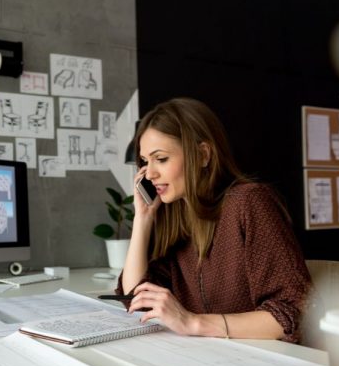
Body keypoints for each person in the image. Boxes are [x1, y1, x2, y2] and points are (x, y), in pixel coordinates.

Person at [118, 97, 311, 343]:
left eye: (162, 159)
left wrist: (193, 322)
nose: (150, 173)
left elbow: (295, 312)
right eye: (145, 162)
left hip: (266, 363)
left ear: (202, 155)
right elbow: (136, 300)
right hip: (211, 359)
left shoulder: (249, 202)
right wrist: (142, 219)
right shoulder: (178, 219)